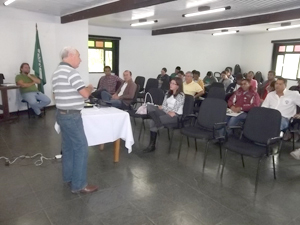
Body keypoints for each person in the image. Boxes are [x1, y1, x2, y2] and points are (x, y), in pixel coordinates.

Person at [52, 46, 98, 194]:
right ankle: (79, 184)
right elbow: (84, 94)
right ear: (70, 56)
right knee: (81, 148)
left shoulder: (57, 72)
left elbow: (56, 94)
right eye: (78, 56)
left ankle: (68, 178)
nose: (80, 59)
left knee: (68, 147)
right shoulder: (72, 72)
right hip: (72, 116)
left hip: (61, 114)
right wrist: (90, 87)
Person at [143, 77, 185, 152]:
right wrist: (167, 110)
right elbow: (163, 105)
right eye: (170, 83)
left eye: (173, 83)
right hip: (167, 113)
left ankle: (152, 145)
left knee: (153, 121)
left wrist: (165, 109)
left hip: (176, 116)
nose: (171, 85)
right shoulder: (168, 93)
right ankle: (159, 124)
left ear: (178, 86)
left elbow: (174, 110)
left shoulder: (181, 95)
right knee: (149, 106)